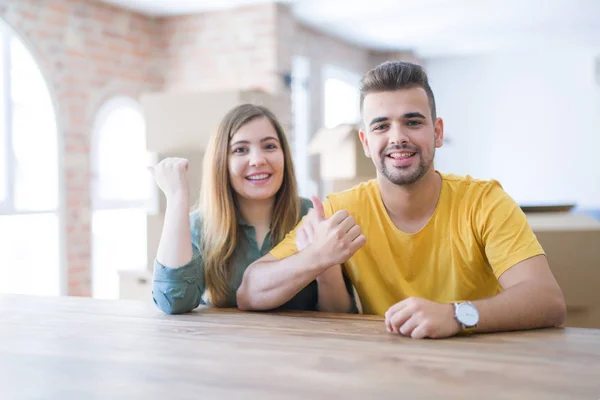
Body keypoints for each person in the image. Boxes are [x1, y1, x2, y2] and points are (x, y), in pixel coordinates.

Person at [236, 61, 567, 339]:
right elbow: (250, 291)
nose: (398, 137)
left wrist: (455, 315)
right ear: (366, 142)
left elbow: (547, 300)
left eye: (413, 122)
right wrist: (316, 257)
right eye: (381, 126)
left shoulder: (484, 202)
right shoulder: (341, 210)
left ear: (437, 132)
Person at [151, 104, 355, 314]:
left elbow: (340, 314)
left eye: (269, 146)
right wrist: (176, 198)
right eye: (240, 150)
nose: (258, 160)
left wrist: (325, 265)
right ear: (221, 162)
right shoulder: (199, 226)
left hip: (302, 345)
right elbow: (174, 302)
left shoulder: (314, 215)